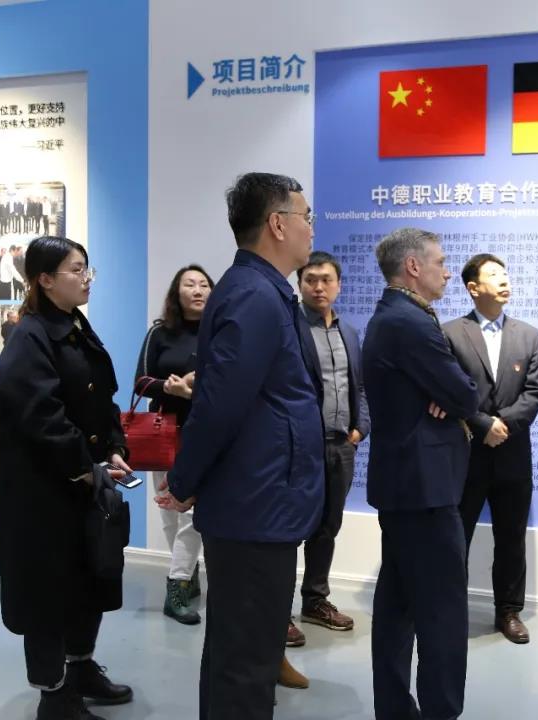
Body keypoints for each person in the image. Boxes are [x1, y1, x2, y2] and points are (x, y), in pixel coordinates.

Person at [156, 172, 323, 719]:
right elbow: (220, 403)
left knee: (247, 650)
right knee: (245, 660)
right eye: (305, 216)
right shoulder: (253, 295)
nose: (311, 227)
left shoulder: (265, 291)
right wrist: (184, 480)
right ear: (277, 224)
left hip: (264, 499)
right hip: (255, 504)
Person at [0, 236, 134, 720]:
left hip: (84, 487)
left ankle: (81, 668)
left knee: (88, 581)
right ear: (45, 279)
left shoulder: (76, 326)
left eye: (87, 268)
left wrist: (114, 448)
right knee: (48, 594)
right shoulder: (29, 338)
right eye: (76, 269)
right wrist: (84, 467)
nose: (86, 277)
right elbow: (41, 418)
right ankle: (53, 695)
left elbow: (103, 398)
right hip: (44, 495)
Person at [362, 228, 479, 720]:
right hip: (425, 490)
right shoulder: (410, 322)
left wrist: (447, 394)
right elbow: (466, 393)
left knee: (398, 606)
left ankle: (395, 708)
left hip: (406, 486)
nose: (447, 272)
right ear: (413, 266)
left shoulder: (395, 316)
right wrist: (451, 396)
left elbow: (452, 392)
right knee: (442, 614)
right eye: (440, 262)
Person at [442, 253, 538, 644]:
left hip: (512, 455)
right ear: (473, 288)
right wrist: (482, 425)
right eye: (493, 275)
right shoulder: (450, 334)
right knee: (457, 536)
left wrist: (502, 425)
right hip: (465, 454)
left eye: (505, 273)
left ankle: (509, 611)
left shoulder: (529, 335)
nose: (504, 280)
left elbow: (536, 390)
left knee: (511, 538)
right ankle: (450, 610)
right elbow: (448, 390)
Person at [287, 250, 371, 646]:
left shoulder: (348, 332)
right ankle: (277, 611)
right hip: (301, 447)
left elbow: (360, 386)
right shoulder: (290, 327)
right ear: (300, 284)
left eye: (326, 280)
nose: (319, 287)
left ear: (338, 285)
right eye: (311, 280)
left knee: (327, 527)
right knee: (291, 528)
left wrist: (360, 428)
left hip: (341, 445)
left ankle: (315, 601)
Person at [135, 264, 214, 625]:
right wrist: (172, 388)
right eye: (189, 284)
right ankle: (187, 572)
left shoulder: (220, 333)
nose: (197, 290)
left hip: (204, 433)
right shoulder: (159, 333)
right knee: (169, 512)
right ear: (176, 293)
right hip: (164, 431)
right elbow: (141, 382)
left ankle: (176, 586)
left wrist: (194, 390)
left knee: (193, 514)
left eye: (204, 284)